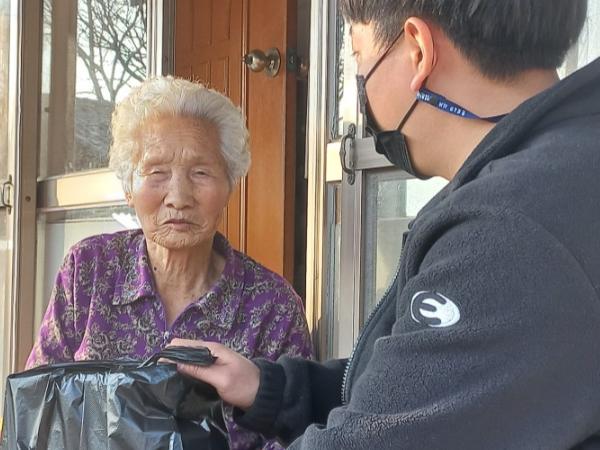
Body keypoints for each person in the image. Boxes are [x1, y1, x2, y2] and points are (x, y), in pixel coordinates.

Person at [168, 1, 600, 449]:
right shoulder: (561, 179)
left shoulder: (511, 230)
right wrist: (270, 389)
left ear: (418, 50)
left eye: (358, 57)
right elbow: (426, 393)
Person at [26, 76, 313, 450]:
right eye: (156, 172)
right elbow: (38, 407)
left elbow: (298, 437)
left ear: (230, 185)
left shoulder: (272, 305)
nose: (178, 197)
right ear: (128, 188)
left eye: (200, 172)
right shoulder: (88, 270)